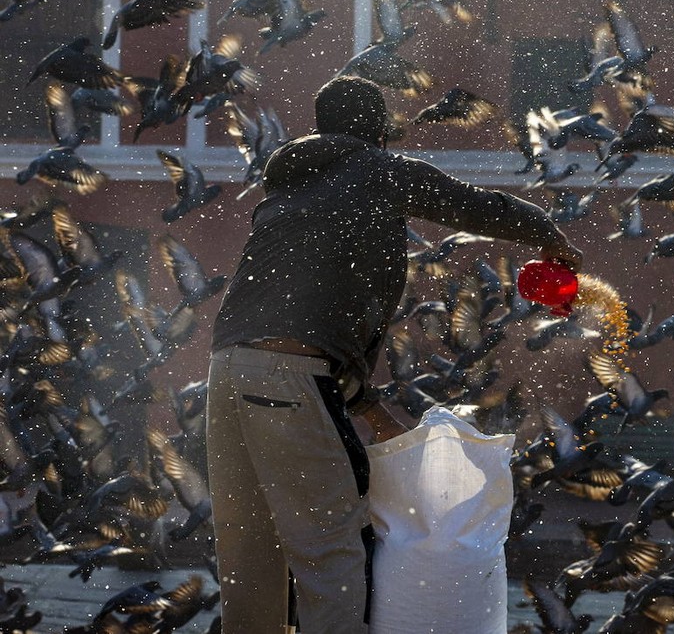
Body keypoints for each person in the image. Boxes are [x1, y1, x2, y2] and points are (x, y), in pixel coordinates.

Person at [206, 75, 582, 634]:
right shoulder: (375, 170)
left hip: (227, 373)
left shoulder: (287, 193)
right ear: (377, 133)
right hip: (287, 377)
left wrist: (382, 422)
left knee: (251, 553)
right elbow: (467, 204)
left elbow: (313, 324)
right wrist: (546, 233)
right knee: (330, 550)